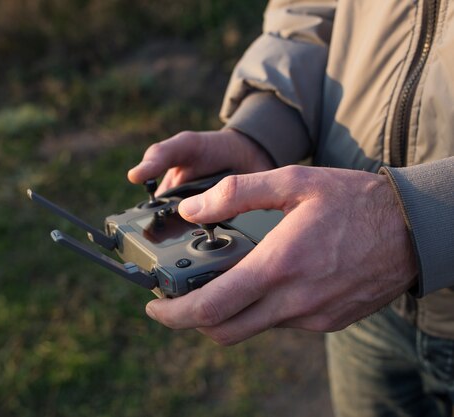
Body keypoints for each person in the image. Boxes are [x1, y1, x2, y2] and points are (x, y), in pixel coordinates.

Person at [127, 1, 454, 416]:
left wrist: (417, 222)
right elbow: (310, 11)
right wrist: (262, 130)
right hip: (358, 293)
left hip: (358, 256)